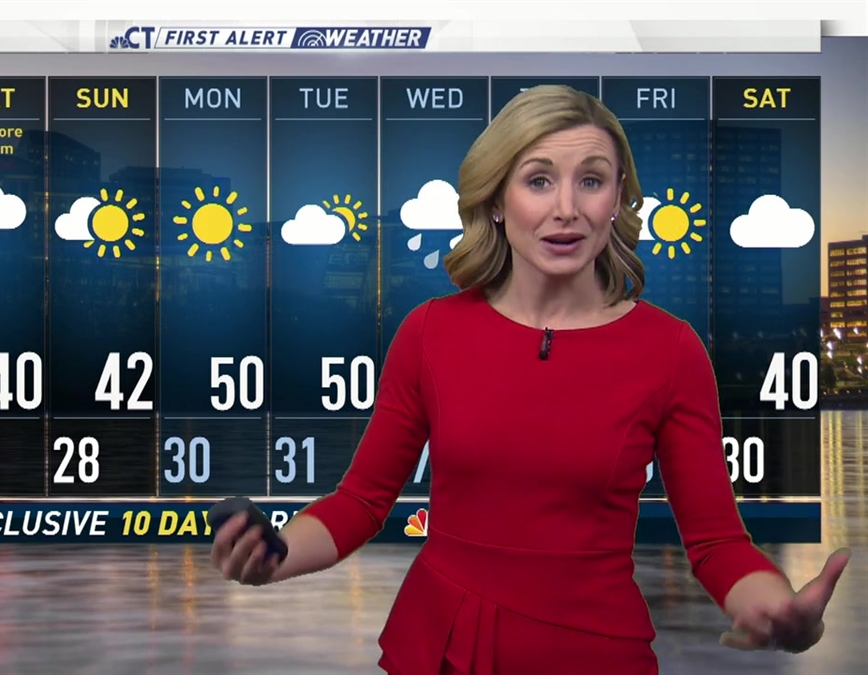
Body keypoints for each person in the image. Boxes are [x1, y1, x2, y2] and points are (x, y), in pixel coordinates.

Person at [209, 85, 850, 674]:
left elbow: (714, 541)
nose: (566, 209)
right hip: (437, 650)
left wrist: (774, 603)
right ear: (496, 199)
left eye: (591, 181)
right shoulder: (430, 333)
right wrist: (276, 556)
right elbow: (362, 504)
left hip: (595, 654)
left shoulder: (671, 351)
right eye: (539, 180)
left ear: (618, 197)